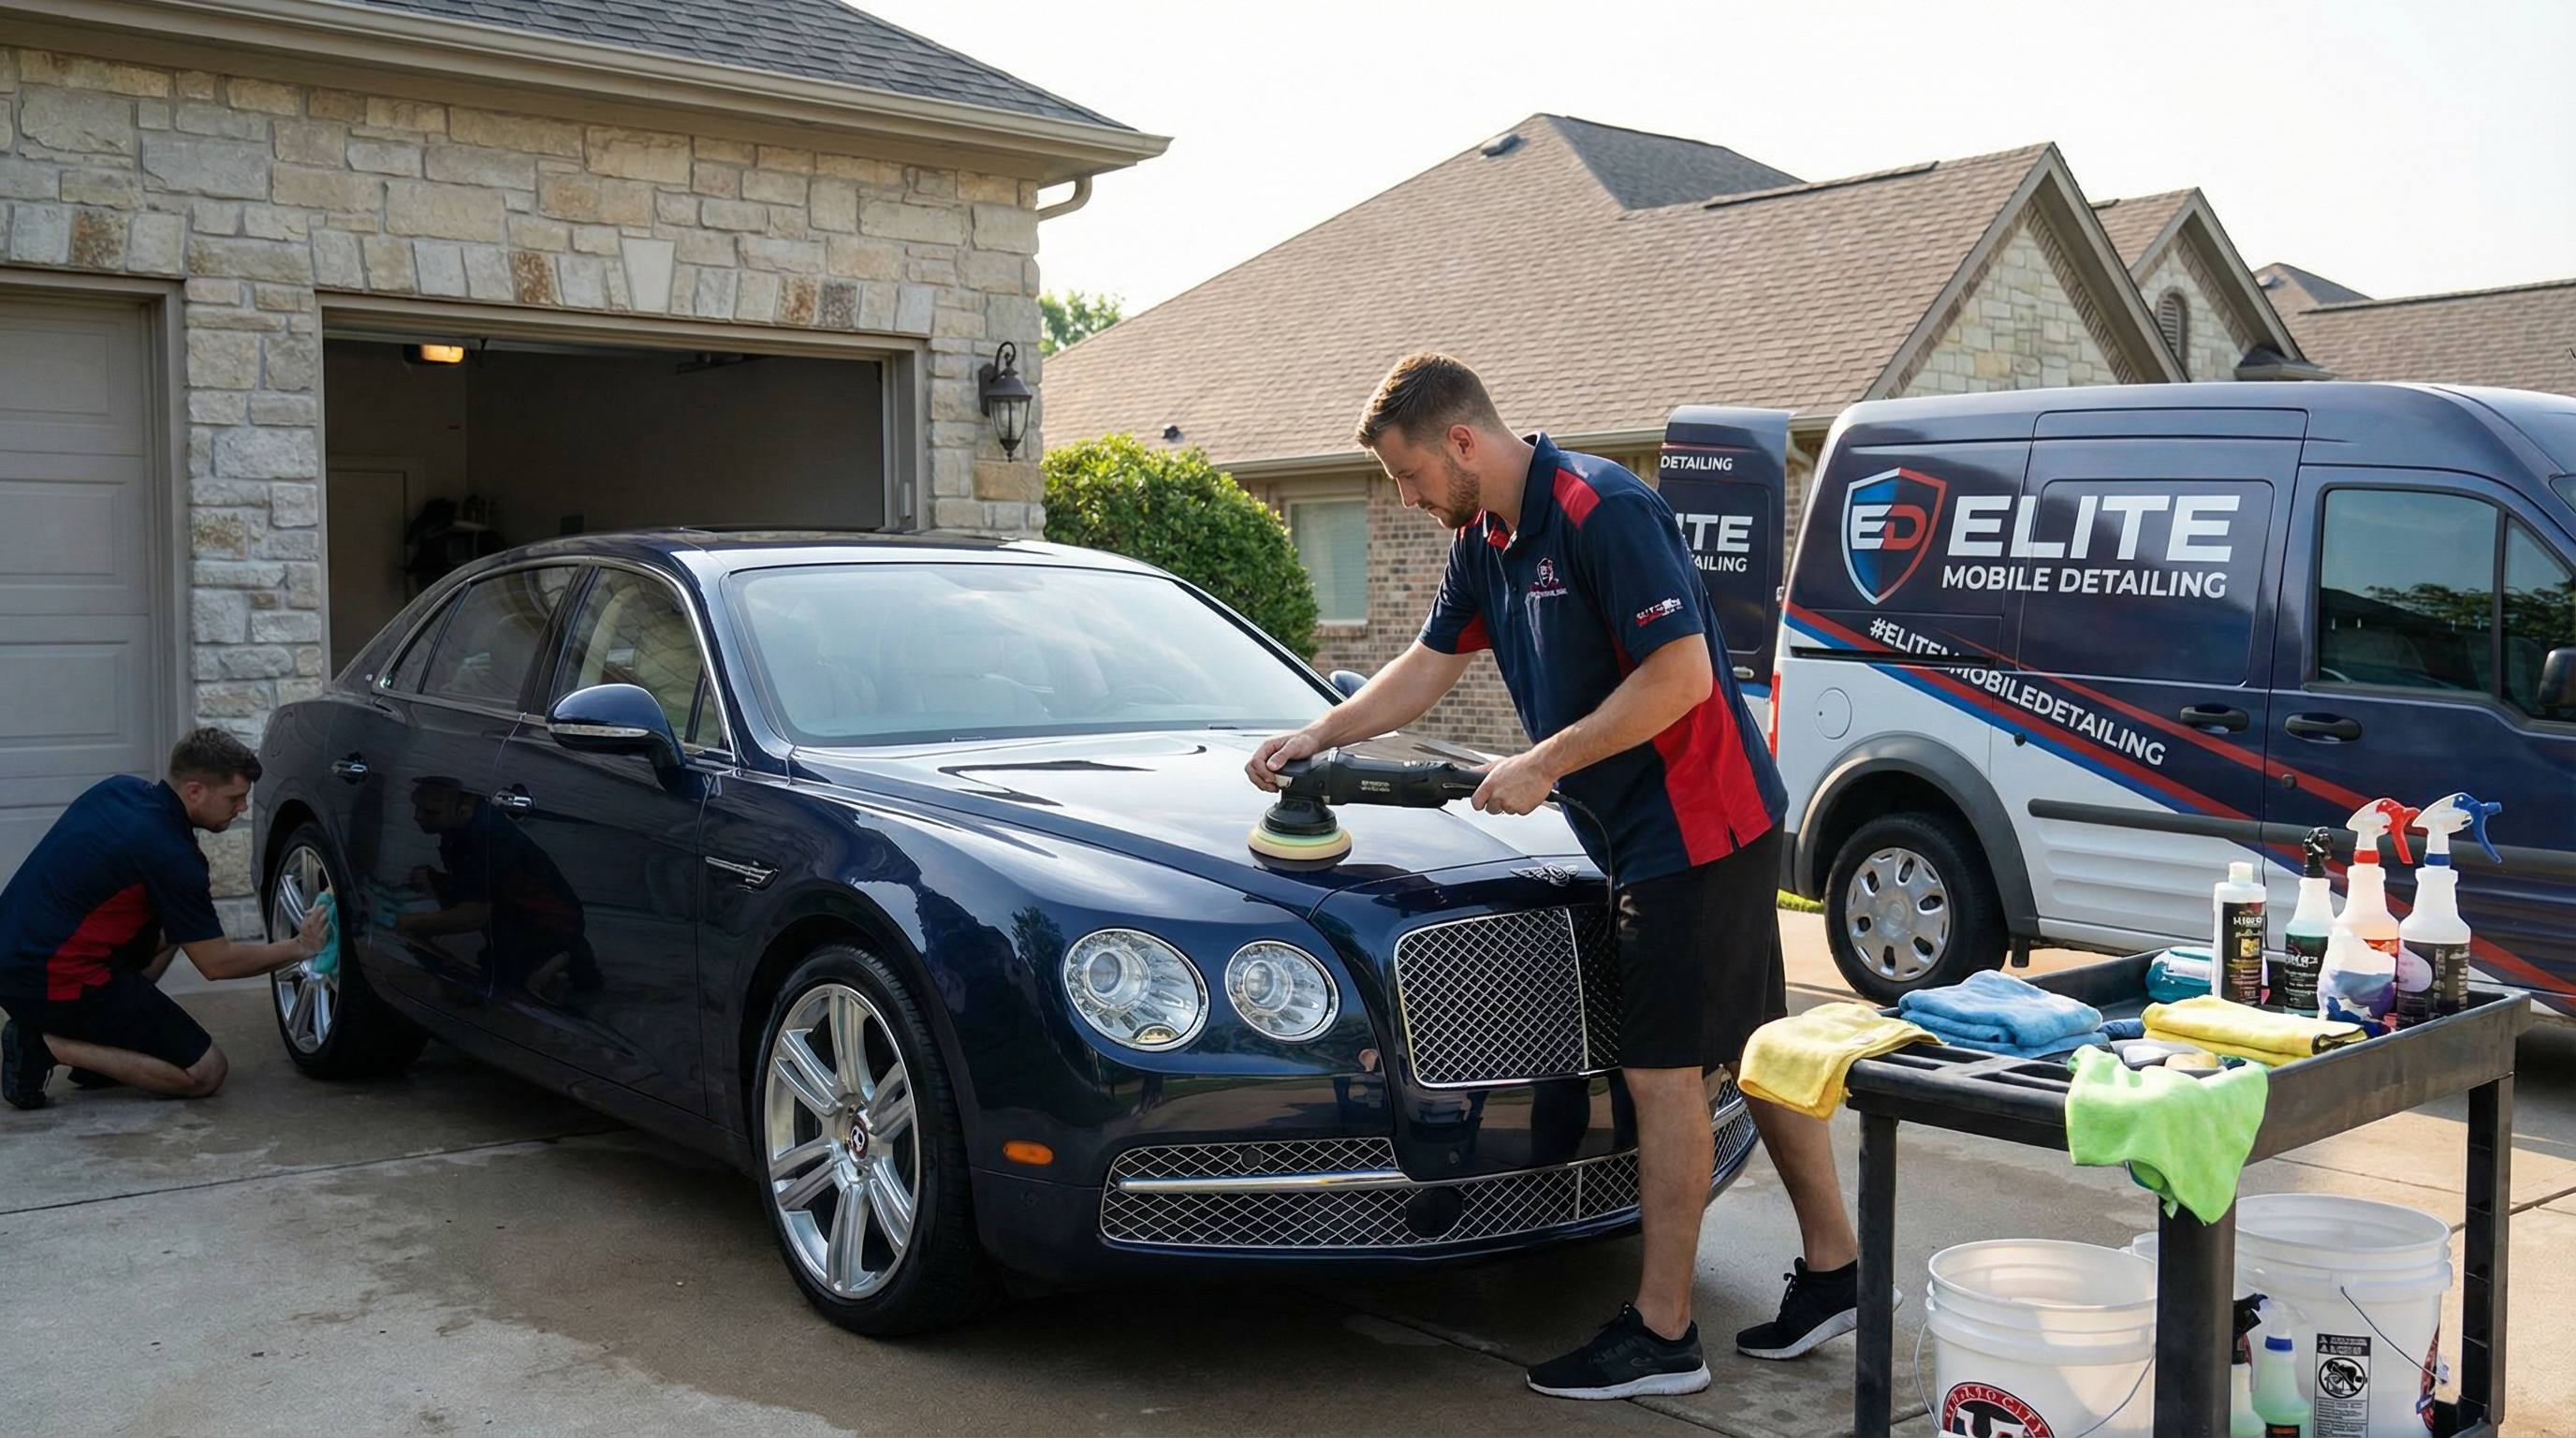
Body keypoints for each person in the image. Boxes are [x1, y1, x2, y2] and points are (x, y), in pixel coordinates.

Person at [1247, 354, 1869, 1400]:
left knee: (1665, 1073)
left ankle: (1663, 1333)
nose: (1404, 500)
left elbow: (1680, 676)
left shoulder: (1600, 509)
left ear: (1460, 442)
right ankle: (1837, 1270)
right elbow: (1427, 663)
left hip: (1697, 821)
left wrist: (1542, 762)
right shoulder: (1484, 537)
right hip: (1637, 829)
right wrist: (1318, 731)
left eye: (1407, 477)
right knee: (1752, 1050)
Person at [0, 727, 330, 1109]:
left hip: (15, 957)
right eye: (235, 798)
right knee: (205, 1072)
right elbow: (216, 964)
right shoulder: (172, 856)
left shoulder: (117, 790)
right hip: (50, 981)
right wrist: (300, 946)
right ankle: (47, 1044)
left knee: (177, 931)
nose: (241, 808)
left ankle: (102, 1044)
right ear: (194, 791)